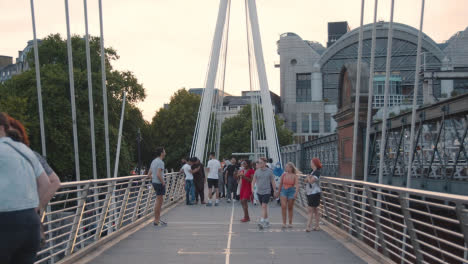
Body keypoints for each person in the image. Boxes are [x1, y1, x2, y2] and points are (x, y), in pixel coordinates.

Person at [0, 112, 52, 264]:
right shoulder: (25, 150)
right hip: (30, 224)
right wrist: (34, 208)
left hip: (5, 223)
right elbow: (46, 184)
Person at [6, 116, 61, 207]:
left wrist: (37, 207)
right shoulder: (32, 155)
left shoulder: (32, 156)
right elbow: (54, 182)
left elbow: (55, 182)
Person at [251, 157, 278, 229]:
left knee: (263, 206)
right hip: (259, 191)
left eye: (261, 162)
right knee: (264, 207)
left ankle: (262, 221)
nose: (259, 164)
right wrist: (252, 189)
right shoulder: (257, 171)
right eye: (258, 162)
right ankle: (267, 221)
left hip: (267, 191)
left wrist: (275, 191)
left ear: (265, 163)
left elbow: (273, 181)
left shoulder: (269, 171)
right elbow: (253, 181)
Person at [148, 147, 167, 226]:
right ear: (161, 153)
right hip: (159, 183)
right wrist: (163, 182)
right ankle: (156, 220)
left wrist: (154, 179)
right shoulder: (161, 162)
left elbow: (149, 174)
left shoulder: (154, 161)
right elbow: (159, 174)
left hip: (154, 182)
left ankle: (157, 219)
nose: (165, 152)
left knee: (158, 201)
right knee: (159, 202)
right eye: (164, 151)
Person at [278, 162, 299, 228]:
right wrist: (278, 192)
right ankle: (284, 223)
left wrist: (296, 193)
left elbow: (297, 185)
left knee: (290, 207)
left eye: (287, 167)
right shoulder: (283, 175)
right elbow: (280, 184)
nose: (285, 168)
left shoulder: (295, 176)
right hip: (283, 191)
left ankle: (290, 222)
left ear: (291, 168)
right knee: (283, 206)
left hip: (291, 191)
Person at [306, 158, 322, 232]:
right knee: (315, 210)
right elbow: (306, 180)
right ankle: (317, 226)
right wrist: (308, 178)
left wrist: (308, 178)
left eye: (311, 162)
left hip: (314, 193)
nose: (310, 164)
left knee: (310, 210)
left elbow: (311, 181)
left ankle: (308, 226)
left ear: (314, 163)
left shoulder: (317, 172)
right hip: (310, 192)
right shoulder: (312, 172)